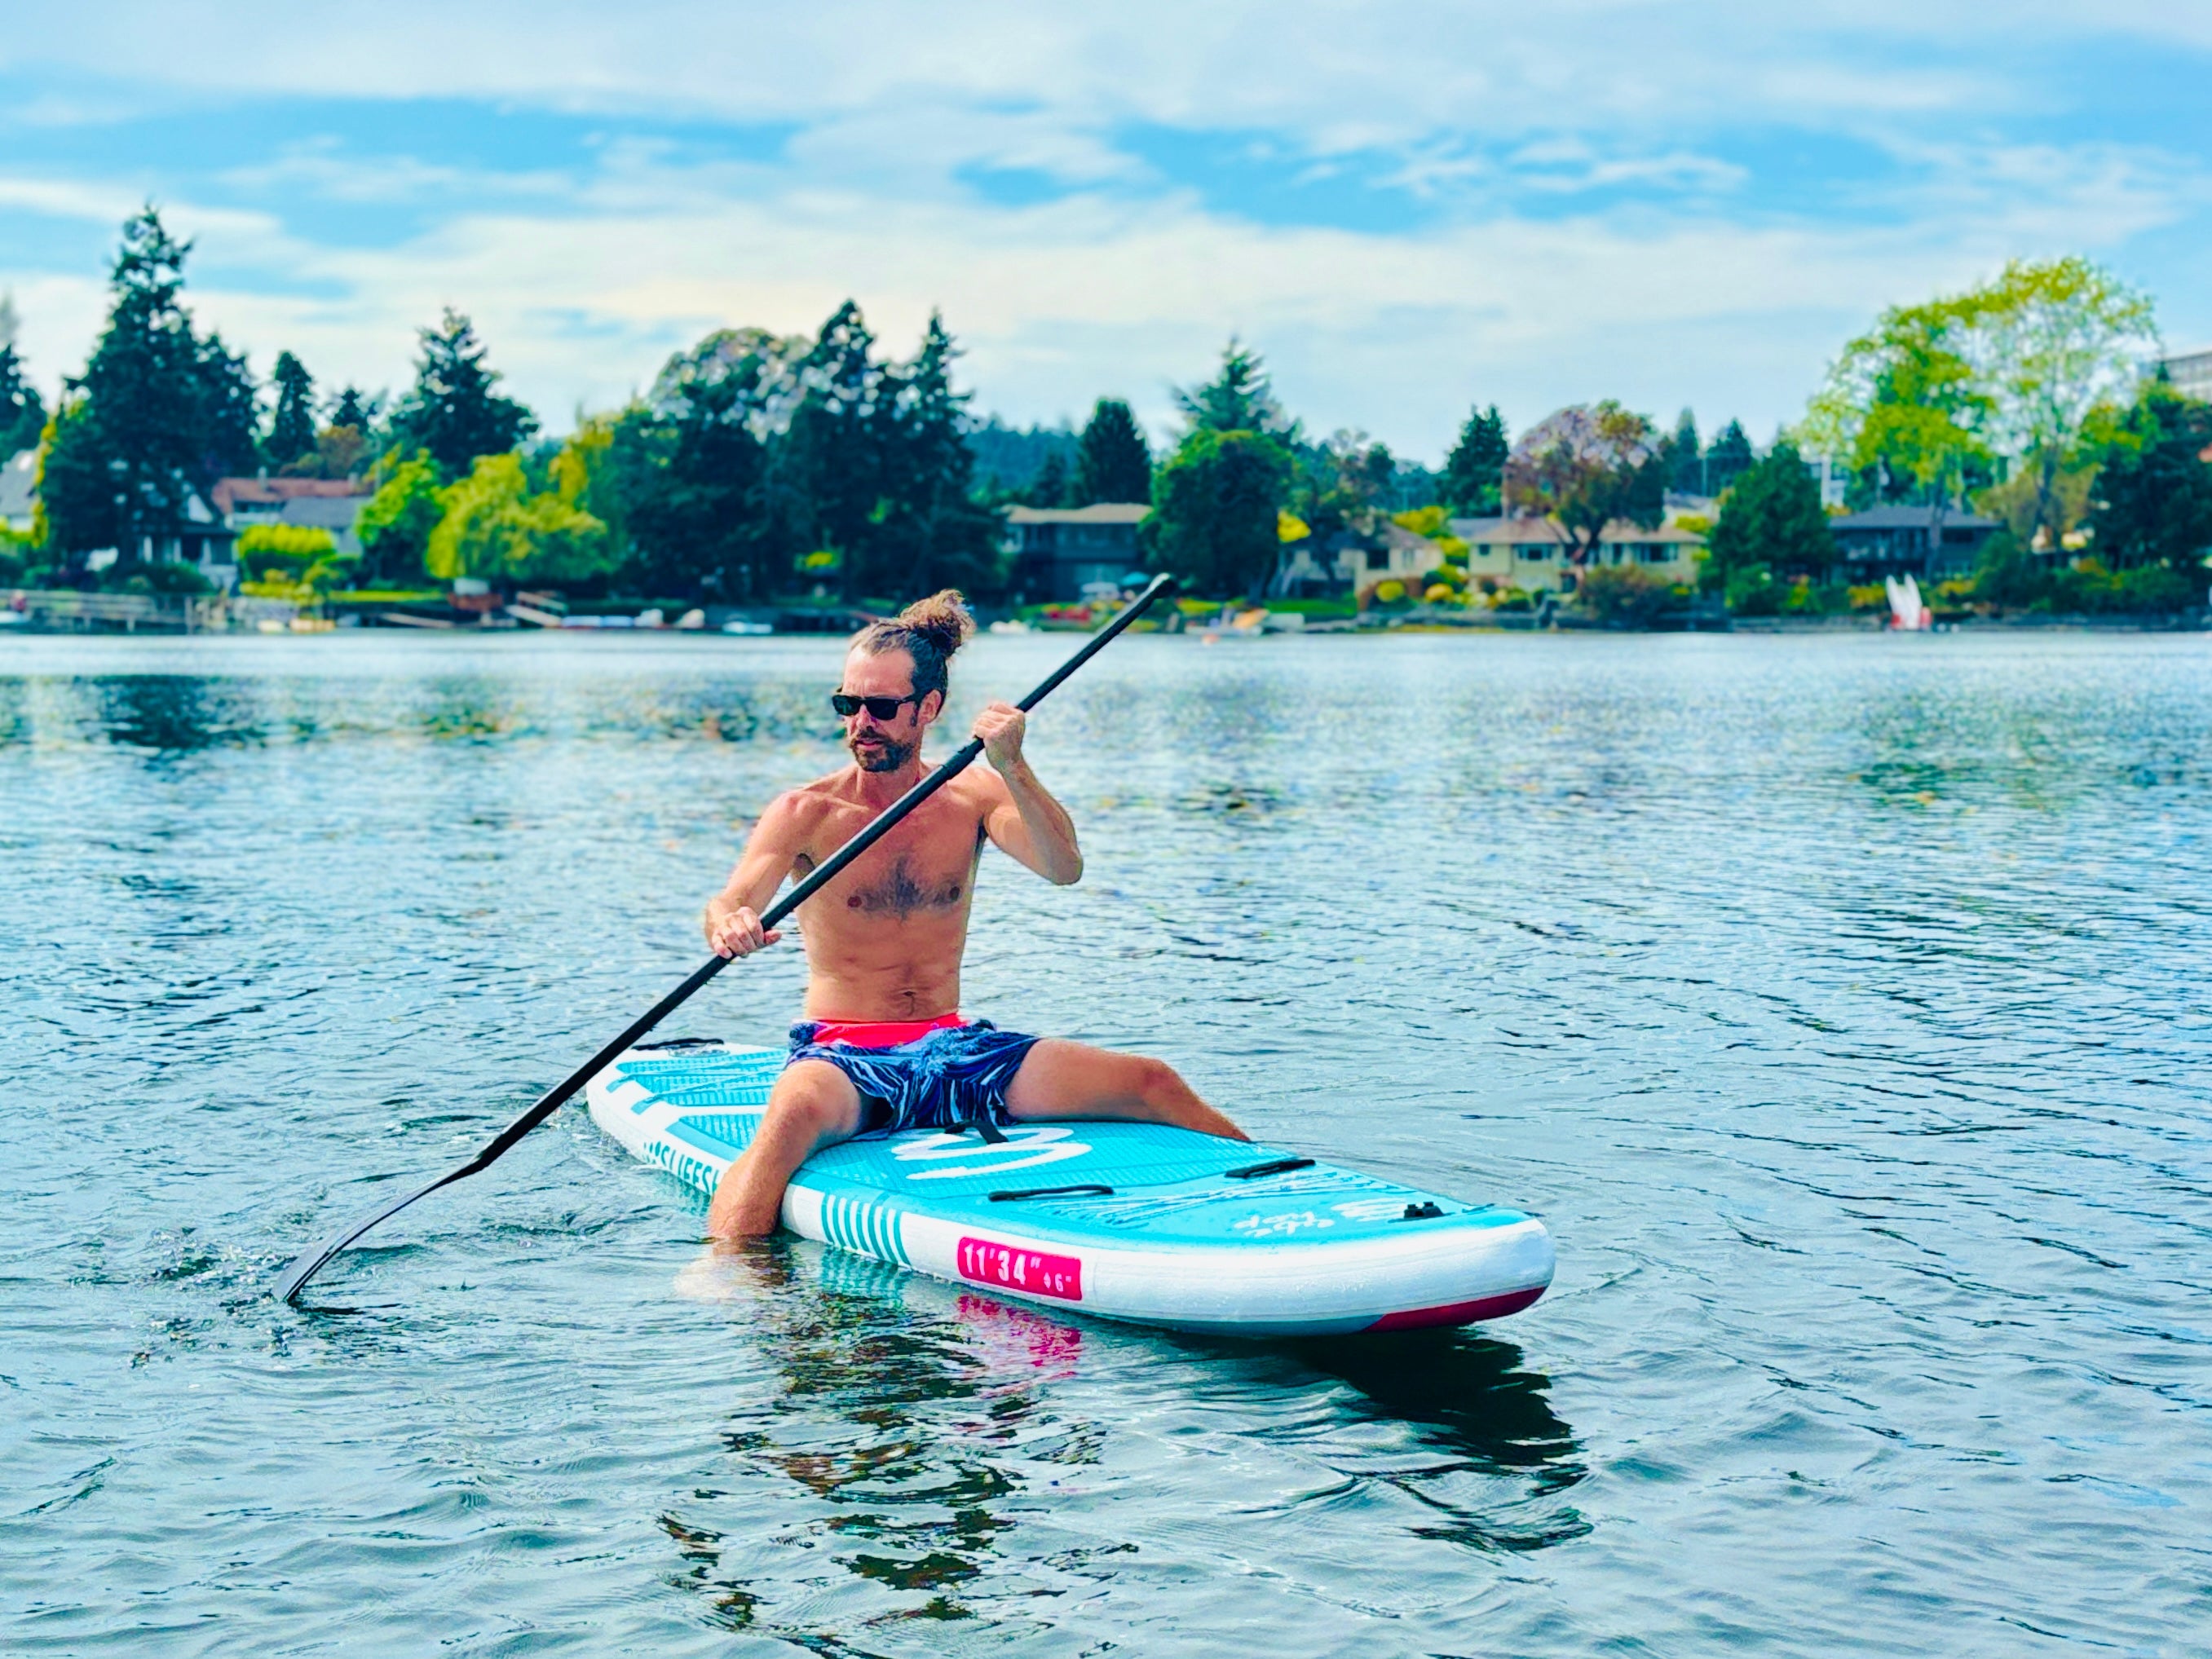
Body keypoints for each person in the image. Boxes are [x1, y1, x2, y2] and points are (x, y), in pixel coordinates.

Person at [699, 590, 1247, 1240]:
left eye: (880, 707)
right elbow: (733, 900)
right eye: (847, 704)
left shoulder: (973, 795)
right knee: (787, 1122)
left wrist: (1013, 765)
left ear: (928, 708)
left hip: (954, 1047)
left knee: (1152, 1081)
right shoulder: (806, 811)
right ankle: (726, 1276)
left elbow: (1062, 865)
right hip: (844, 1054)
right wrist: (729, 924)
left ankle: (1285, 1183)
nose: (860, 724)